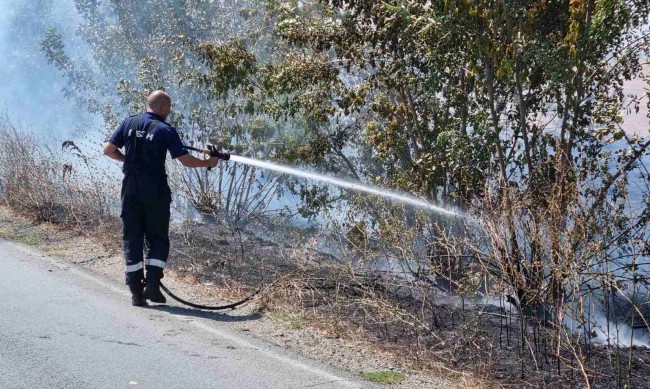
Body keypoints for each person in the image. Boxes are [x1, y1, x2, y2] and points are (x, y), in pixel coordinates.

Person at [103, 90, 222, 306]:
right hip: (155, 190)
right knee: (158, 237)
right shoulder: (165, 129)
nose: (169, 113)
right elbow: (184, 160)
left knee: (132, 238)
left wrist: (128, 162)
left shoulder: (129, 122)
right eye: (169, 109)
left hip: (129, 188)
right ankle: (152, 285)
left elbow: (108, 150)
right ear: (163, 108)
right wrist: (208, 163)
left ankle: (136, 293)